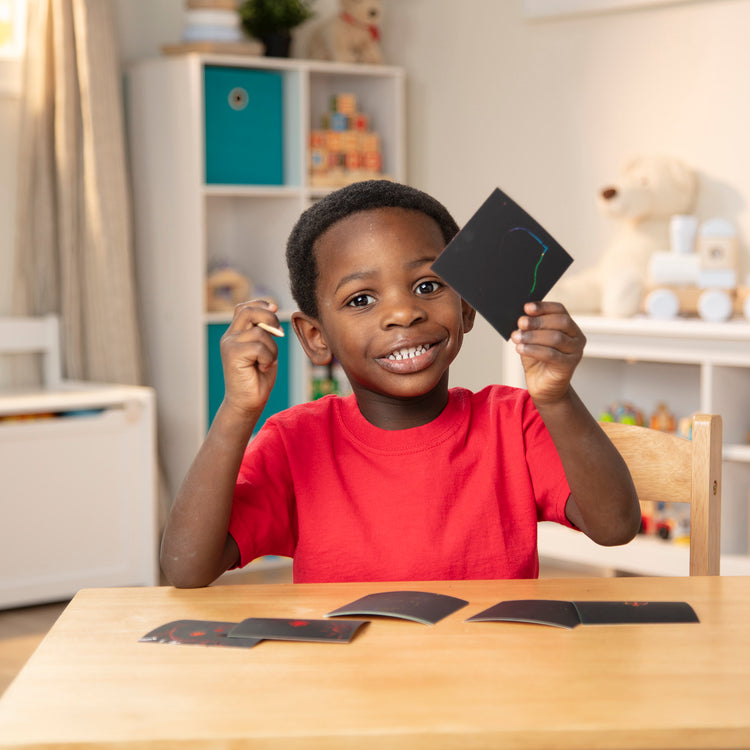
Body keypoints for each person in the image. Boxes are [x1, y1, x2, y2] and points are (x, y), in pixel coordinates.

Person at [161, 180, 640, 587]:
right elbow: (186, 567)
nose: (402, 313)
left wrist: (556, 397)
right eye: (361, 299)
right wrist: (236, 412)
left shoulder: (513, 420)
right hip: (351, 687)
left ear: (467, 308)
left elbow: (615, 526)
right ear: (315, 336)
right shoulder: (294, 442)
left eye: (428, 286)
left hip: (490, 683)